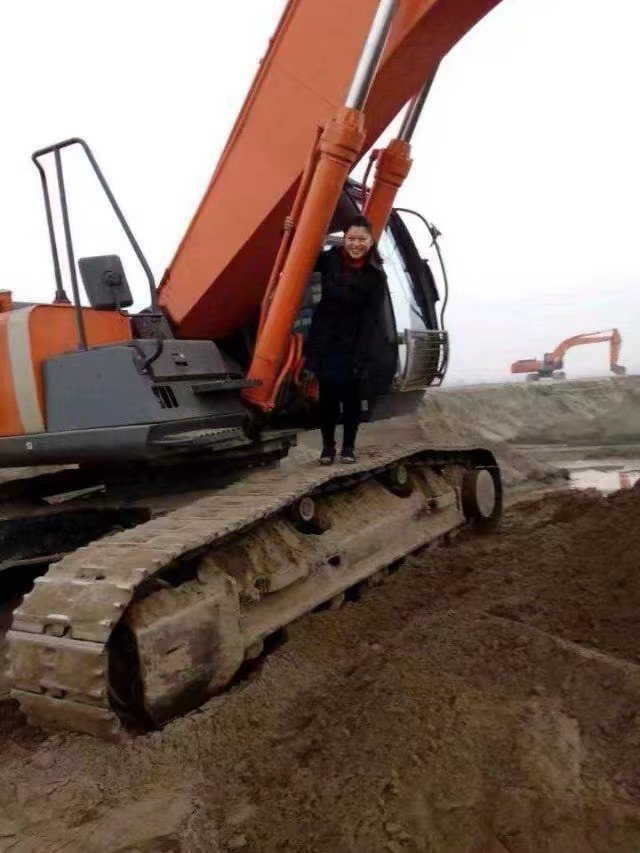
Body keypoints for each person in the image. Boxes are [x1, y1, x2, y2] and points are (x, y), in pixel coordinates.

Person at [304, 214, 387, 464]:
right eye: (351, 238)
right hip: (325, 340)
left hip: (355, 344)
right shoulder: (329, 259)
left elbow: (372, 319)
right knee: (327, 398)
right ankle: (327, 447)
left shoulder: (375, 277)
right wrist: (289, 230)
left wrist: (363, 354)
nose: (355, 244)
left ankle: (348, 447)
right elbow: (299, 255)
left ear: (370, 242)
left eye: (361, 239)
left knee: (351, 400)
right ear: (344, 239)